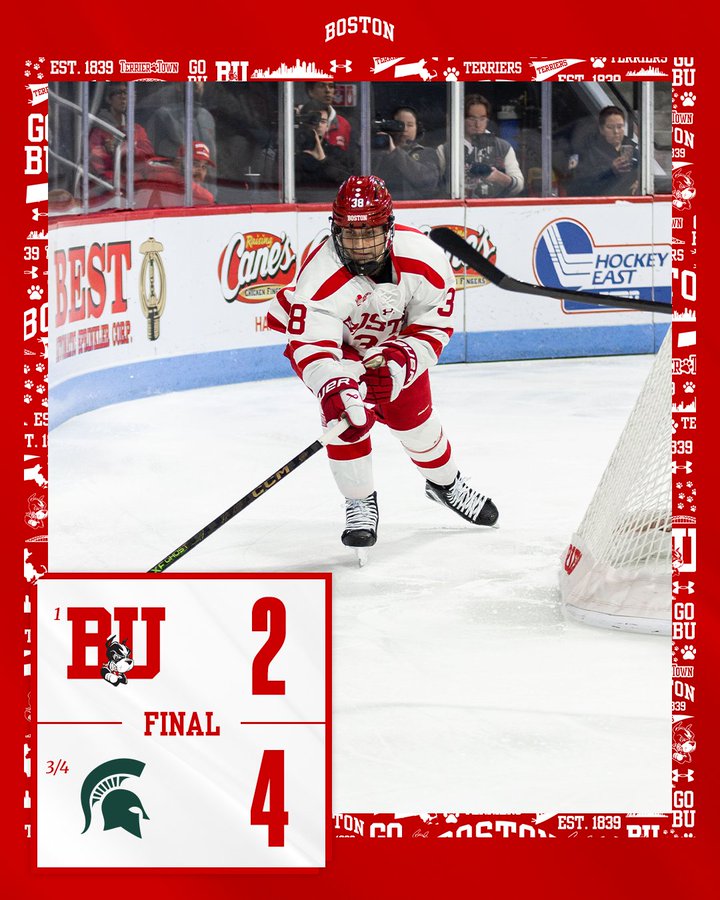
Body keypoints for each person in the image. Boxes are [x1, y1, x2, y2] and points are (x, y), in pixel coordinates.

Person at [267, 175, 498, 561]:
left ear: (389, 228)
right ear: (335, 230)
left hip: (395, 346)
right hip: (340, 351)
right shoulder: (318, 278)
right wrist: (334, 388)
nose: (358, 245)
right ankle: (359, 502)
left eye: (369, 233)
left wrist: (398, 363)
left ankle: (447, 486)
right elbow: (312, 349)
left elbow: (432, 327)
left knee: (417, 424)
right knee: (345, 423)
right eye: (349, 234)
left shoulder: (424, 259)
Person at [437, 94, 524, 198]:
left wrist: (499, 177)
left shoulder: (503, 147)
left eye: (482, 119)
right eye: (472, 119)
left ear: (488, 119)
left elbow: (519, 185)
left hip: (496, 208)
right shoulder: (445, 150)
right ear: (461, 119)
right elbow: (436, 187)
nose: (478, 125)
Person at [141, 83, 217, 197]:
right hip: (174, 194)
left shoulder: (207, 117)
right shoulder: (163, 116)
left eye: (201, 79)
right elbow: (153, 159)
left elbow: (211, 161)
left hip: (204, 198)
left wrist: (213, 197)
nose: (197, 82)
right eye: (192, 78)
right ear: (179, 85)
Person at [88, 83, 155, 193]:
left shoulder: (137, 129)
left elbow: (148, 155)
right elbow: (96, 165)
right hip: (110, 188)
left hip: (137, 185)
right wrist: (110, 154)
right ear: (108, 99)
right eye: (118, 93)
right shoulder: (99, 130)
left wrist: (125, 150)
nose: (123, 97)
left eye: (126, 93)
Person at [371, 106, 442, 200]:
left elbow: (428, 182)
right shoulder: (380, 153)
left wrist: (395, 152)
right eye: (400, 124)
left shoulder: (427, 153)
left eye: (410, 125)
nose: (405, 129)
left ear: (418, 128)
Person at [568, 105, 639, 197]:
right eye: (610, 127)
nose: (616, 131)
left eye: (620, 126)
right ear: (601, 129)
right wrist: (610, 171)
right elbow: (580, 186)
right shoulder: (589, 153)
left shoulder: (634, 151)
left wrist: (640, 183)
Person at [295, 101, 353, 201]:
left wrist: (323, 160)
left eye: (322, 121)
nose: (318, 125)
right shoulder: (288, 149)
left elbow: (347, 183)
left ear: (327, 127)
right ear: (303, 122)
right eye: (313, 120)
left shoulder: (335, 152)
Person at [135, 141, 216, 208]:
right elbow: (207, 198)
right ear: (177, 163)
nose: (200, 171)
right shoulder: (169, 181)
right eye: (194, 163)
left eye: (204, 166)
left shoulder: (153, 174)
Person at [304, 82, 352, 152]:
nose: (327, 90)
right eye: (321, 86)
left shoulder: (344, 124)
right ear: (310, 91)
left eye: (331, 86)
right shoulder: (298, 119)